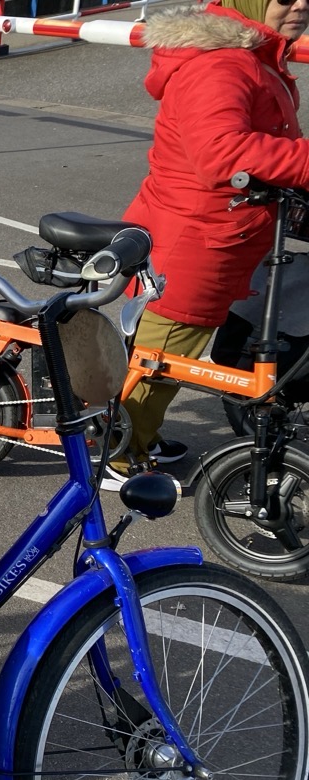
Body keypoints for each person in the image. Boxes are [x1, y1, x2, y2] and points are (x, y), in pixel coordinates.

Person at [109, 0, 309, 490]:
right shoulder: (223, 63)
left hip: (219, 230)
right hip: (198, 235)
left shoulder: (252, 56)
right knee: (163, 353)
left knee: (170, 349)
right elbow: (222, 151)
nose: (300, 5)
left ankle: (139, 436)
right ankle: (117, 457)